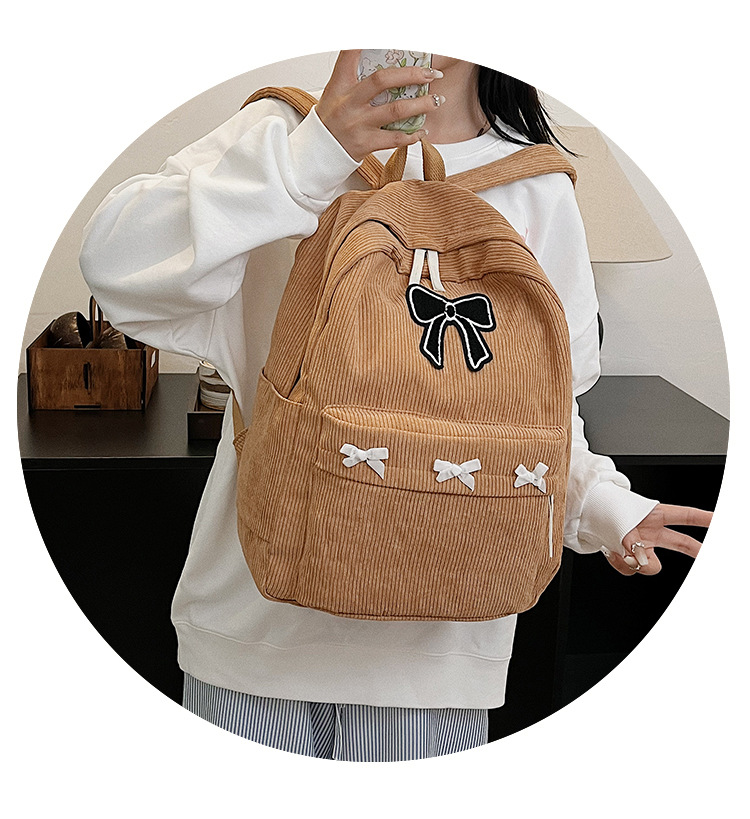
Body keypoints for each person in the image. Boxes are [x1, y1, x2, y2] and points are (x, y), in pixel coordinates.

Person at [79, 50, 712, 761]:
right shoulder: (286, 134)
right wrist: (314, 156)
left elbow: (539, 416)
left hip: (441, 652)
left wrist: (601, 503)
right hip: (255, 633)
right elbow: (116, 261)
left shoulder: (536, 184)